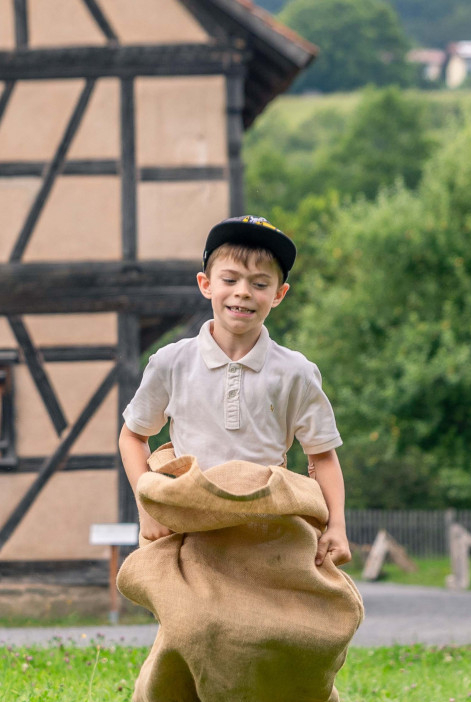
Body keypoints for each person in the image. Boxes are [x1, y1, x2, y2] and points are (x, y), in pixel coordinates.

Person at [118, 215, 350, 566]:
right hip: (190, 534)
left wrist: (337, 526)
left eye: (260, 283)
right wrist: (148, 508)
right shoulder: (171, 363)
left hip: (269, 536)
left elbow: (322, 457)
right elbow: (132, 437)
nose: (243, 291)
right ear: (206, 284)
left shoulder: (296, 373)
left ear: (279, 294)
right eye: (230, 279)